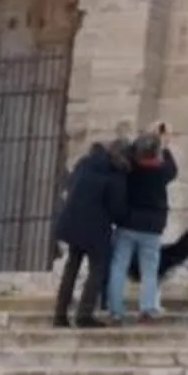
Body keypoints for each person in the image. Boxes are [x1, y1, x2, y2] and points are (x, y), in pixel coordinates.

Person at [51, 139, 126, 329]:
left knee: (71, 268)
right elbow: (117, 208)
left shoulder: (84, 163)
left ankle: (60, 314)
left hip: (72, 222)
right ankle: (84, 314)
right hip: (96, 228)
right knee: (98, 269)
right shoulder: (115, 174)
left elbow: (69, 184)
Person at [109, 125, 180, 323]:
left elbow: (130, 151)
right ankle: (148, 309)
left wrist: (144, 134)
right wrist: (164, 143)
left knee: (118, 267)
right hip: (152, 227)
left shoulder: (130, 168)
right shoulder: (161, 171)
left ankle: (115, 310)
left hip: (128, 223)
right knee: (150, 270)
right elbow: (173, 168)